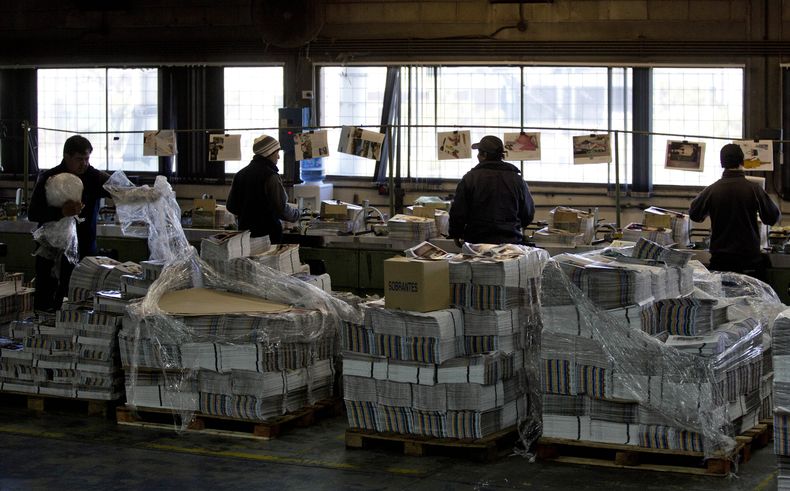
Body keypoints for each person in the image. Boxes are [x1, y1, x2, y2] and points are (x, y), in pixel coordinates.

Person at [28, 135, 110, 311]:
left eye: (87, 158)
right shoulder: (49, 178)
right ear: (67, 156)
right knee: (46, 303)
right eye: (79, 159)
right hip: (51, 253)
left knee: (81, 305)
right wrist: (61, 212)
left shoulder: (94, 177)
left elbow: (120, 189)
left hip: (85, 251)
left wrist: (143, 193)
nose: (84, 164)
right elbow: (33, 213)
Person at [688, 143, 781, 281]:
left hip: (721, 264)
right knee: (752, 295)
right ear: (742, 161)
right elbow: (772, 217)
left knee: (724, 295)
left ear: (722, 164)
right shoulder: (754, 189)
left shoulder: (712, 190)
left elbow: (694, 214)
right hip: (749, 264)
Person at [449, 135, 535, 245]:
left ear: (484, 155)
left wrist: (456, 233)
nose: (477, 156)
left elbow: (458, 211)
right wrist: (513, 227)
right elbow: (528, 213)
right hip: (510, 243)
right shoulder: (517, 180)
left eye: (479, 153)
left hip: (477, 243)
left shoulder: (470, 178)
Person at [226, 134, 300, 242]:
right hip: (268, 236)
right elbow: (281, 208)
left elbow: (231, 206)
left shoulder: (240, 174)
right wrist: (297, 214)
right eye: (277, 152)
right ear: (269, 153)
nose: (278, 157)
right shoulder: (271, 176)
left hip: (245, 236)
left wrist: (247, 213)